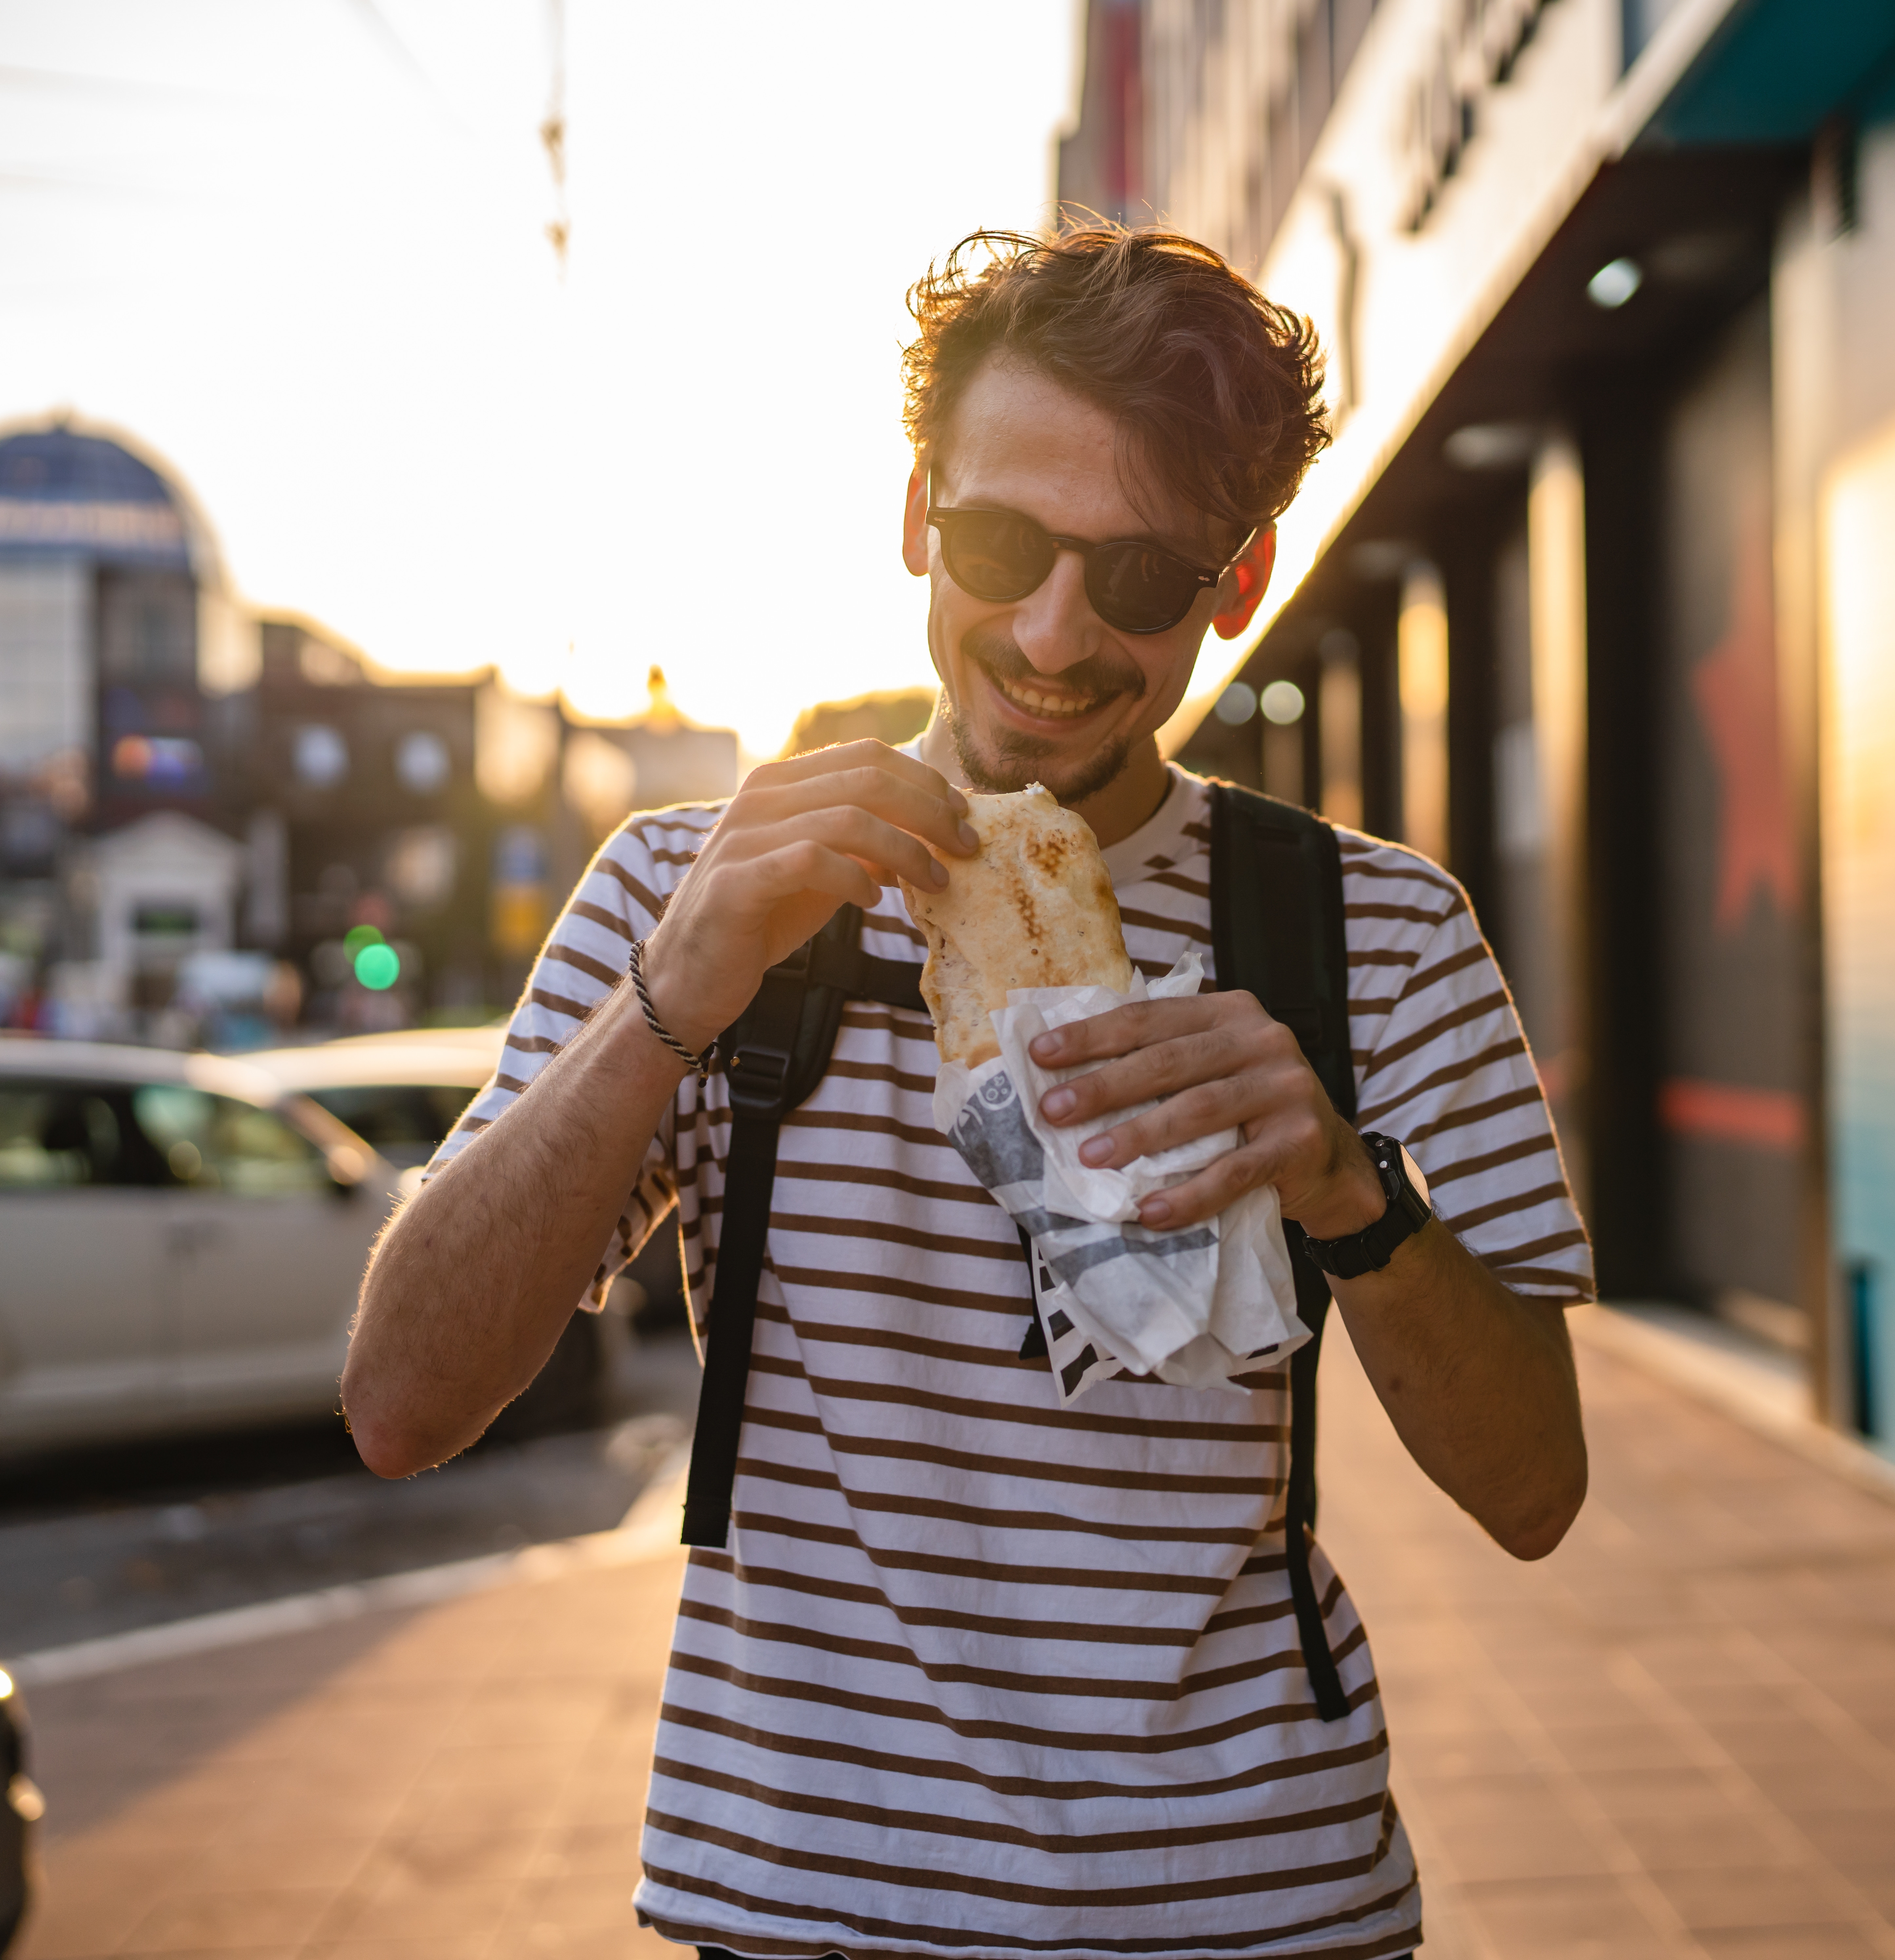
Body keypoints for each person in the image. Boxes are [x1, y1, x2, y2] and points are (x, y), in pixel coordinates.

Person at [343, 221, 1594, 1960]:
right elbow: (402, 1401)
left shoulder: (1369, 932)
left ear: (1237, 585)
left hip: (1252, 1907)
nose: (1053, 630)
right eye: (1002, 540)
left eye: (1145, 576)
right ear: (916, 512)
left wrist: (1343, 1189)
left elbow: (1534, 1493)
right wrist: (668, 1004)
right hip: (804, 1905)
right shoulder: (684, 891)